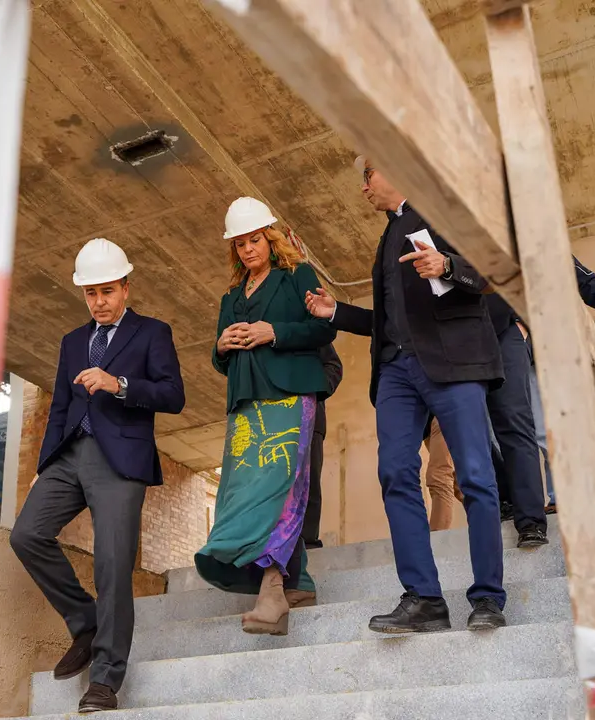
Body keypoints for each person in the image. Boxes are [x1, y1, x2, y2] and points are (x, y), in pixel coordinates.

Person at [305, 158, 507, 632]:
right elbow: (391, 322)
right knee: (395, 472)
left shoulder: (448, 210)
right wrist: (337, 313)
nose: (363, 188)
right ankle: (425, 600)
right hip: (396, 371)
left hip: (454, 364)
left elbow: (494, 269)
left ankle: (488, 598)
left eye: (369, 175)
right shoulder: (388, 239)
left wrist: (450, 264)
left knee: (475, 476)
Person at [9, 238, 185, 714]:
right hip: (69, 457)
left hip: (121, 462)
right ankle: (85, 622)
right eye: (91, 293)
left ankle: (105, 680)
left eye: (107, 291)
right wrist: (43, 467)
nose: (99, 302)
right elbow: (60, 408)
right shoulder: (71, 342)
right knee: (26, 535)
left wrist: (119, 384)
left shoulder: (152, 333)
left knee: (111, 566)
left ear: (126, 287)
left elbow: (174, 396)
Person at [195, 197, 336, 636]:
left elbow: (325, 328)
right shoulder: (231, 298)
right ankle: (303, 582)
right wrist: (221, 348)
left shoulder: (299, 276)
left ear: (270, 238)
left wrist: (273, 332)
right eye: (239, 244)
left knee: (280, 486)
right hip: (246, 404)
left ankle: (272, 590)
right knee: (245, 489)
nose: (247, 249)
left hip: (291, 396)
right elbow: (223, 363)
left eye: (253, 239)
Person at [528, 259, 595, 510]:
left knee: (565, 426)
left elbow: (582, 277)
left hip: (557, 345)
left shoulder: (546, 240)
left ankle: (568, 497)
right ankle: (556, 499)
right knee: (539, 431)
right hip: (519, 350)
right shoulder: (495, 243)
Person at [301, 343, 344, 549]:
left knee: (309, 483)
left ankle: (307, 542)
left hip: (311, 418)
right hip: (274, 419)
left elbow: (334, 366)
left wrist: (313, 392)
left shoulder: (311, 328)